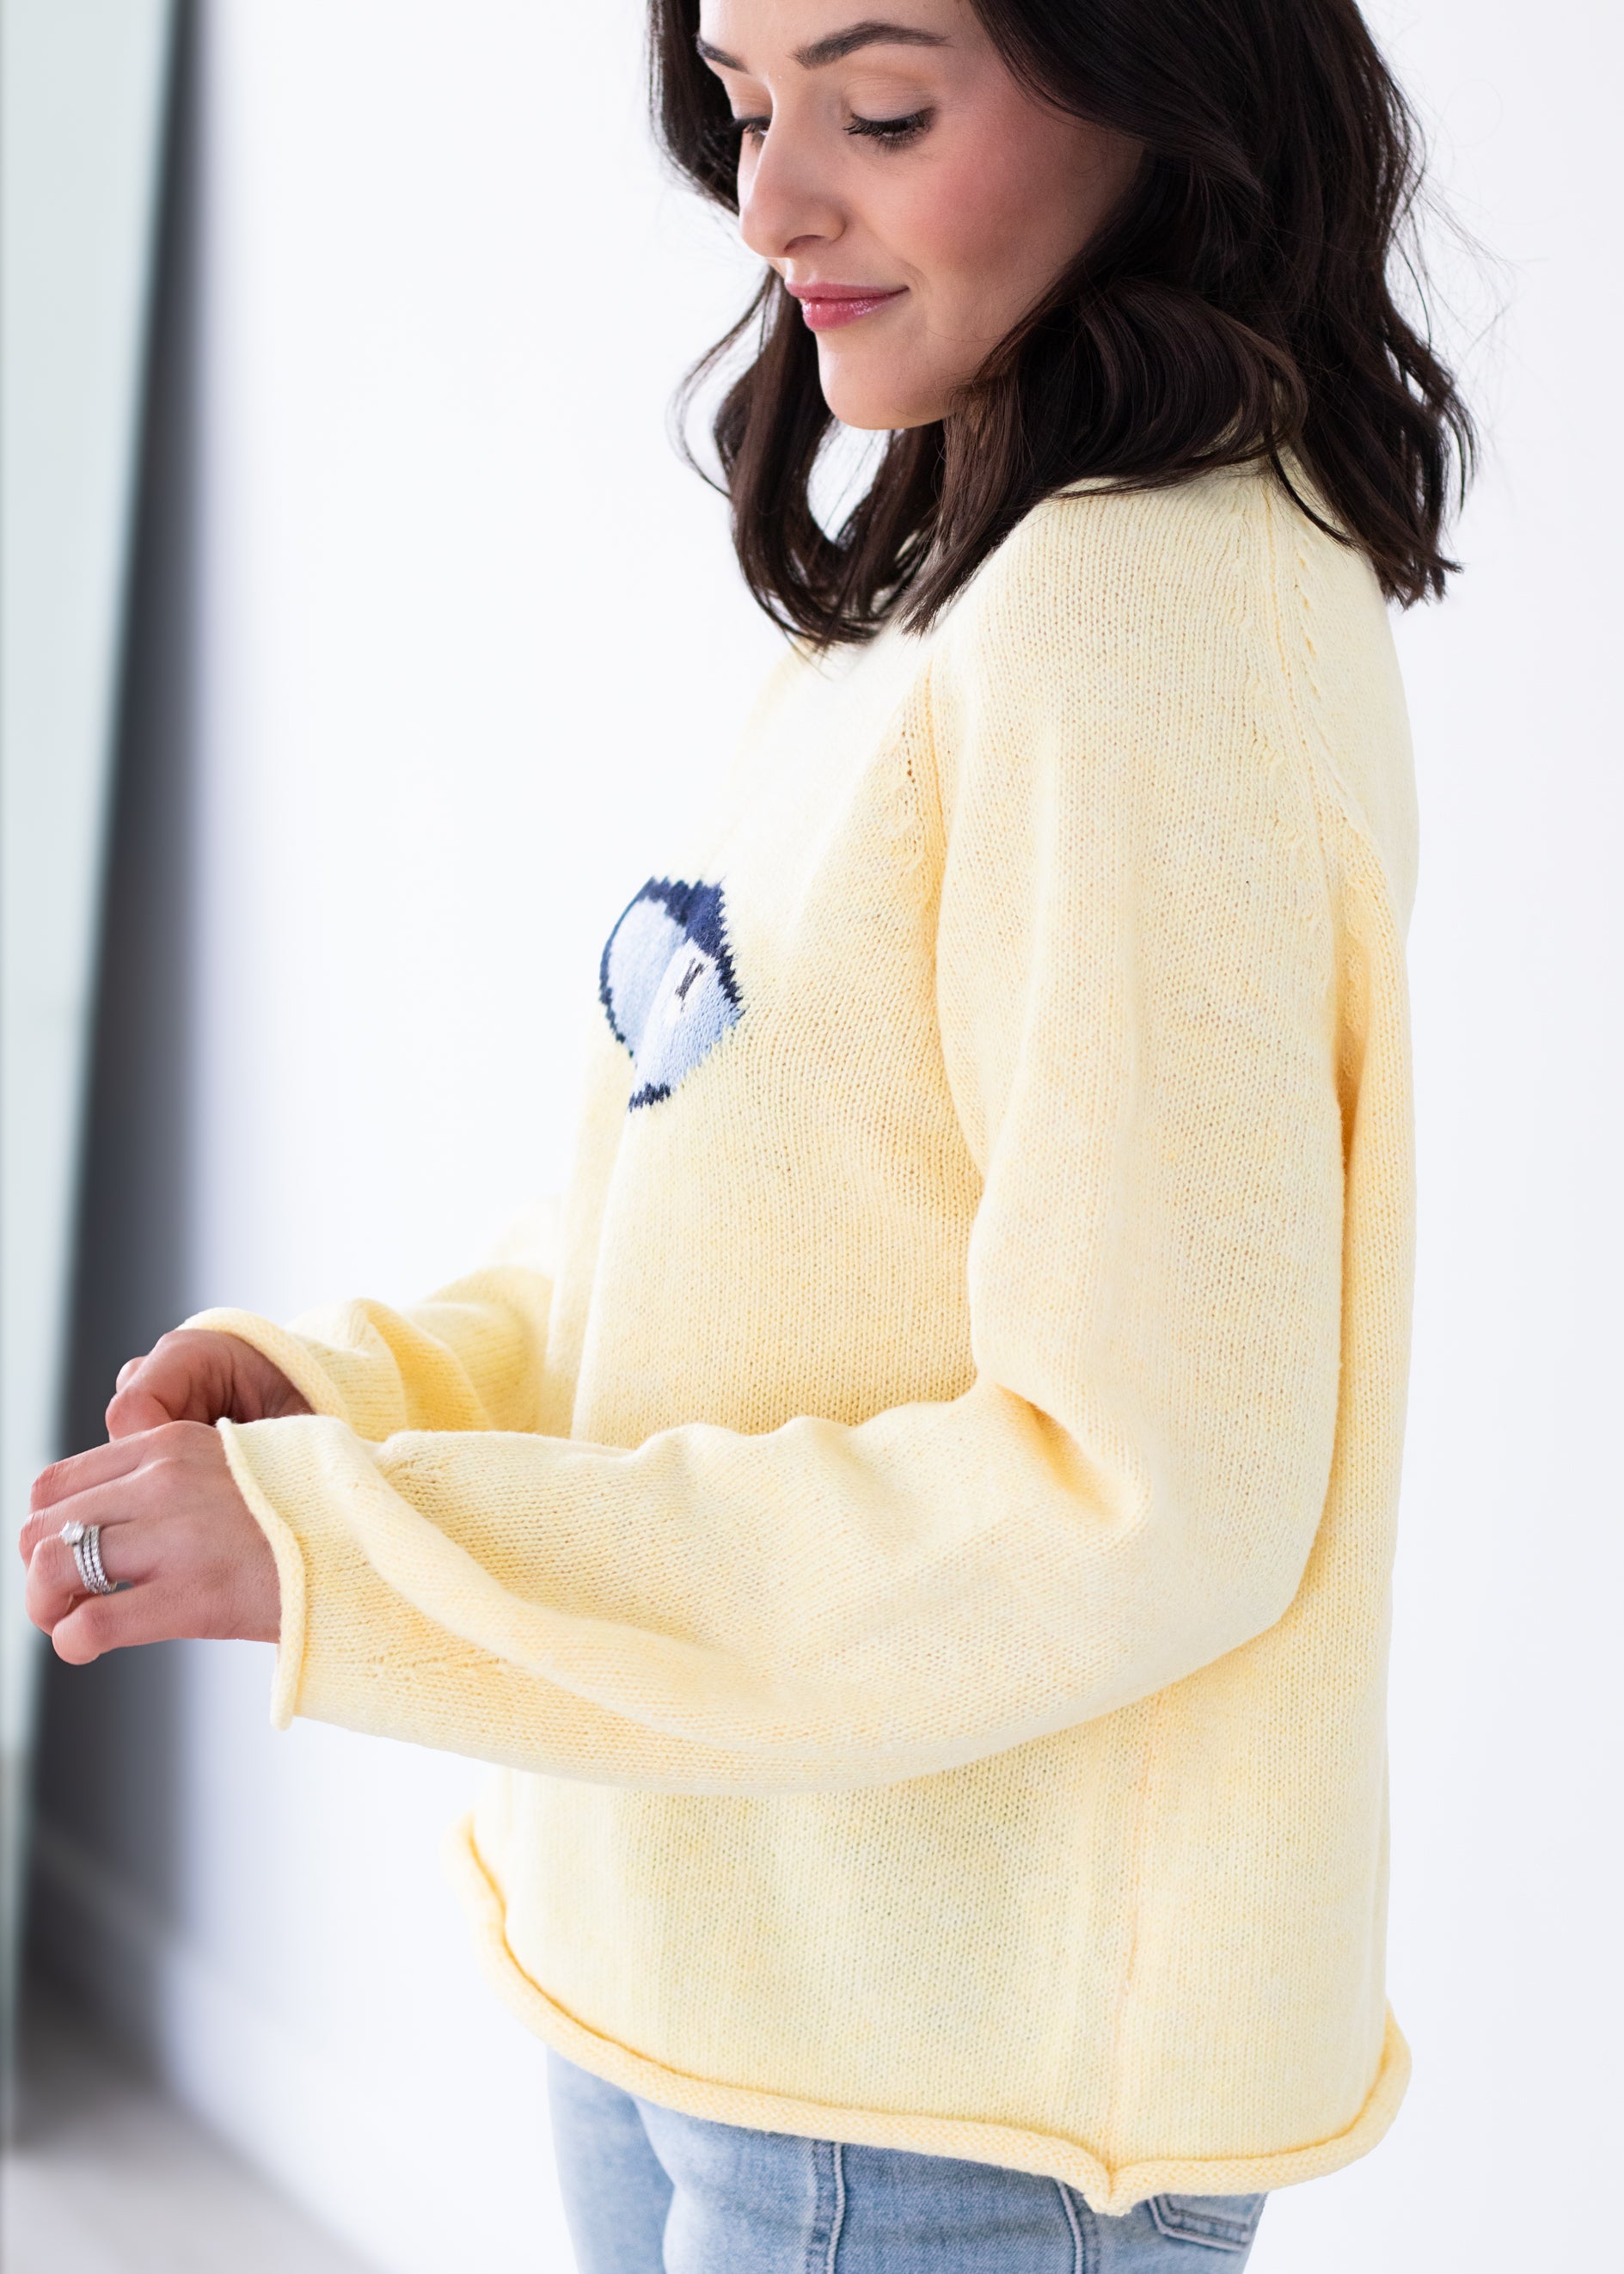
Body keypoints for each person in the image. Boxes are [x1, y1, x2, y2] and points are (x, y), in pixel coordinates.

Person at [21, 1, 1473, 2265]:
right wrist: (367, 1406)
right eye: (742, 104)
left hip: (933, 2083)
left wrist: (370, 1549)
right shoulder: (961, 574)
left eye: (879, 110)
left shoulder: (1135, 629)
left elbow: (1138, 1494)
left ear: (1166, 83)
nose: (774, 201)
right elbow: (727, 1233)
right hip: (719, 1958)